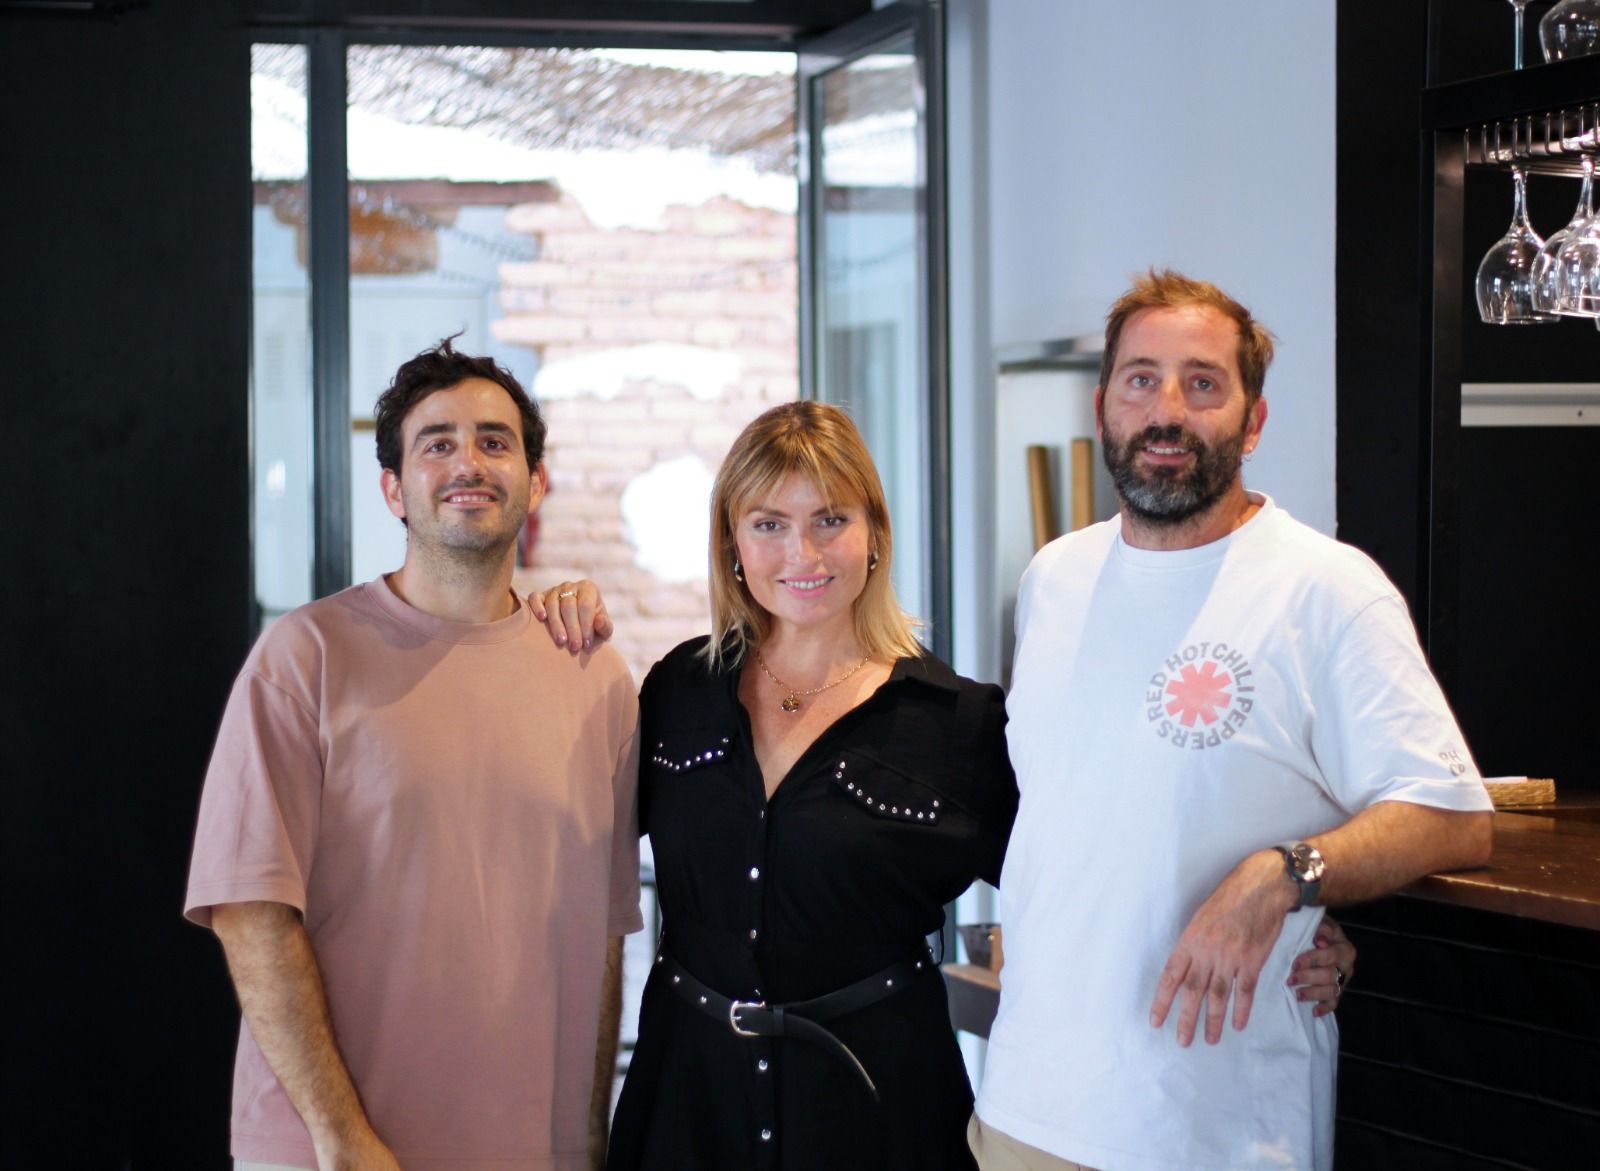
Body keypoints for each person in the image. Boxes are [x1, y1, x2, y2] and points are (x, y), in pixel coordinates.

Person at [536, 401, 1355, 1171]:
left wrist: (1297, 920)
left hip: (881, 1109)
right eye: (769, 524)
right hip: (687, 1101)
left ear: (875, 534)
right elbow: (551, 834)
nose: (804, 554)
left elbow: (1097, 873)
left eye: (831, 519)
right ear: (732, 546)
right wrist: (534, 627)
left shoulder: (956, 723)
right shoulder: (680, 686)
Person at [971, 270, 1494, 1171]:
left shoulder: (1328, 589)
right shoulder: (1054, 579)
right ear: (1103, 406)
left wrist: (1282, 875)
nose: (1166, 409)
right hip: (1024, 1107)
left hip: (1214, 1134)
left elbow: (1453, 815)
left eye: (1202, 383)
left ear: (1253, 420)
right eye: (1141, 379)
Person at [185, 339, 642, 1171]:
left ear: (535, 482)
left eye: (495, 441)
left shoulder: (595, 677)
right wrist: (341, 1135)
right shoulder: (304, 658)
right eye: (437, 443)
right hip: (324, 1152)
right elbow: (250, 910)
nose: (469, 461)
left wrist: (586, 1135)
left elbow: (602, 933)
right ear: (394, 487)